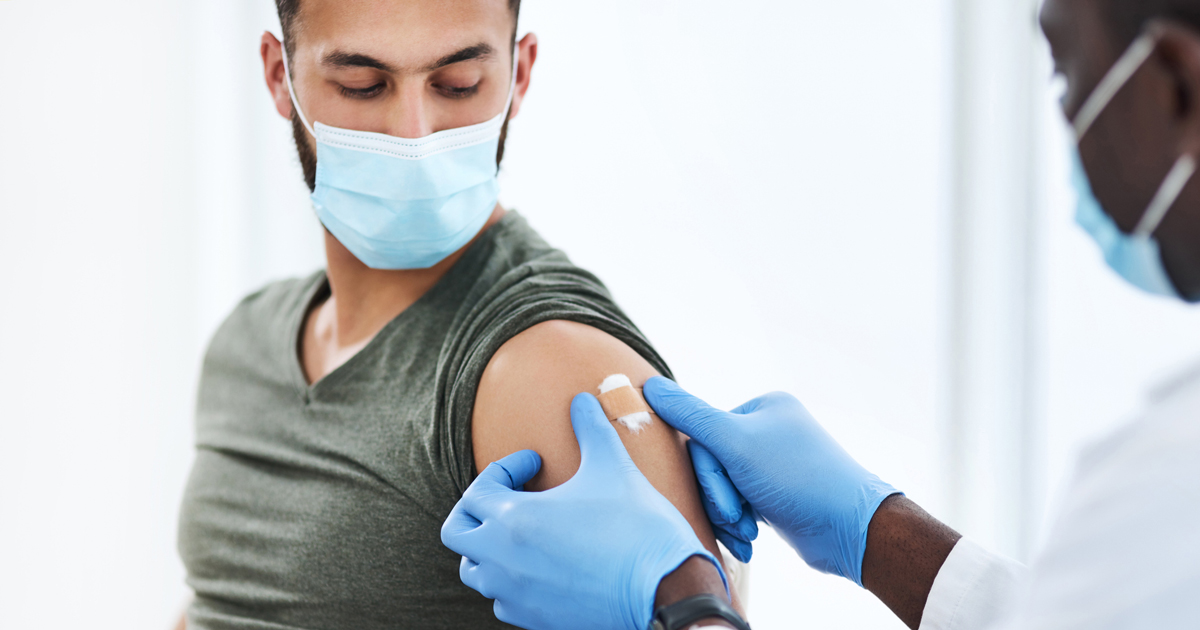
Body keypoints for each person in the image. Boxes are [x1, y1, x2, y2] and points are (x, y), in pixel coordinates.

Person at [441, 0, 1200, 628]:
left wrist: (683, 601)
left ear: (1174, 82)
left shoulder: (1166, 485)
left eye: (1068, 77)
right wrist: (878, 532)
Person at [174, 0, 738, 628]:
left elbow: (700, 610)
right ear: (281, 77)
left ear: (518, 75)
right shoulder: (247, 339)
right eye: (362, 86)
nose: (415, 135)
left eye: (457, 84)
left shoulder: (547, 362)